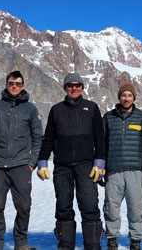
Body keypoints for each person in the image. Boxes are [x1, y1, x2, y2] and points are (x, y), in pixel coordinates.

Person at [37, 73, 106, 250]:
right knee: (63, 206)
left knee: (90, 205)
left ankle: (92, 245)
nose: (74, 88)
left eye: (77, 85)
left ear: (82, 87)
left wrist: (99, 162)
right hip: (62, 166)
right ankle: (66, 244)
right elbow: (49, 138)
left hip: (86, 166)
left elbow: (100, 136)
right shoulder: (56, 109)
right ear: (65, 88)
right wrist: (43, 161)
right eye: (70, 85)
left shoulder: (91, 107)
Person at [0, 71, 43, 250]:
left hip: (21, 165)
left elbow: (38, 137)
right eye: (11, 83)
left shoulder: (31, 109)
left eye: (18, 83)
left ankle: (21, 242)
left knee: (24, 206)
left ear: (23, 85)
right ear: (6, 85)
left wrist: (32, 163)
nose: (14, 86)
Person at [102, 83, 142, 250]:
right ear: (119, 97)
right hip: (113, 171)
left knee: (136, 209)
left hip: (135, 171)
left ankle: (135, 241)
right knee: (111, 208)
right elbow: (101, 144)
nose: (126, 98)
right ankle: (112, 240)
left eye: (129, 96)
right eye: (124, 95)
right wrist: (100, 167)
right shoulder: (108, 118)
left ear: (134, 98)